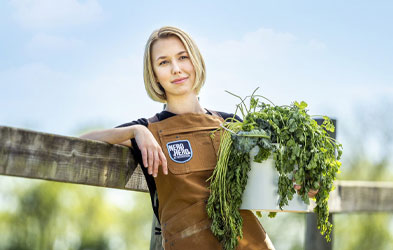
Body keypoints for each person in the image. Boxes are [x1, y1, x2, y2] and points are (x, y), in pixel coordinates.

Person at [80, 26, 315, 249]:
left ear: (195, 60)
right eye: (164, 62)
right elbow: (83, 141)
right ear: (154, 75)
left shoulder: (232, 125)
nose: (176, 69)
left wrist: (301, 184)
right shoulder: (149, 130)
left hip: (249, 243)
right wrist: (135, 131)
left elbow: (270, 179)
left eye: (183, 57)